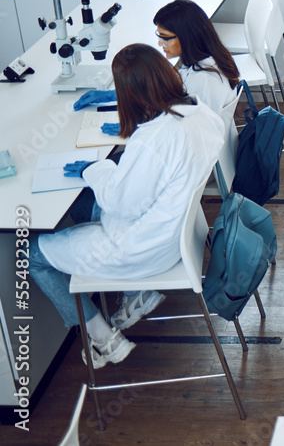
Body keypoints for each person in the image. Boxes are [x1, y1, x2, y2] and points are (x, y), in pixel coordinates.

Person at [31, 44, 224, 368]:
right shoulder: (199, 111)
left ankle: (104, 338)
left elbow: (120, 204)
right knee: (84, 199)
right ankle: (136, 295)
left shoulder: (152, 140)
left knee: (33, 256)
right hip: (177, 238)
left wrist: (94, 169)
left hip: (139, 250)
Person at [74, 0, 240, 134]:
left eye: (165, 38)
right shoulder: (204, 59)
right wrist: (118, 94)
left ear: (187, 37)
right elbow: (172, 91)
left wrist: (139, 128)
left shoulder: (204, 79)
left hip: (200, 157)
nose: (160, 43)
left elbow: (190, 130)